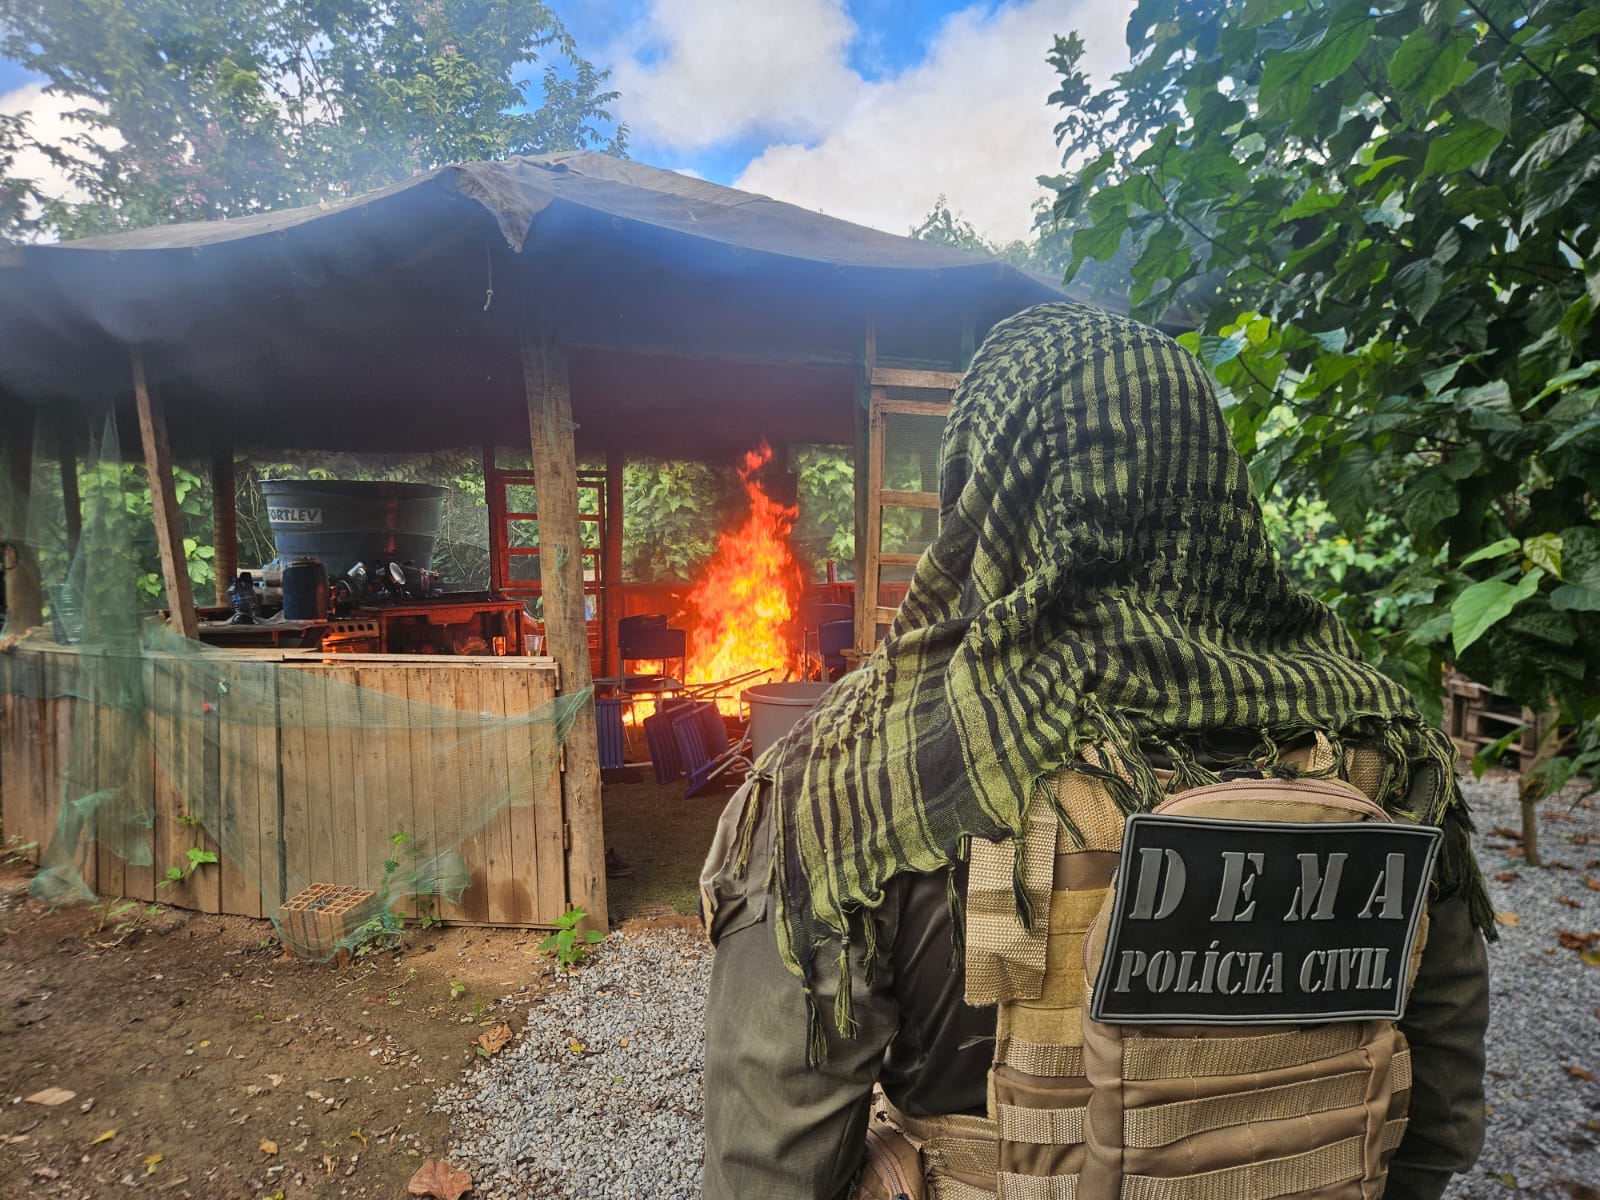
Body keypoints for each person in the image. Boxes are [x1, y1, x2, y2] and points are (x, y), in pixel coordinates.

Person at [700, 302, 1491, 1200]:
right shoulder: (1390, 747)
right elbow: (1438, 1118)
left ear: (986, 492)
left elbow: (768, 1169)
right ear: (1212, 478)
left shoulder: (859, 777)